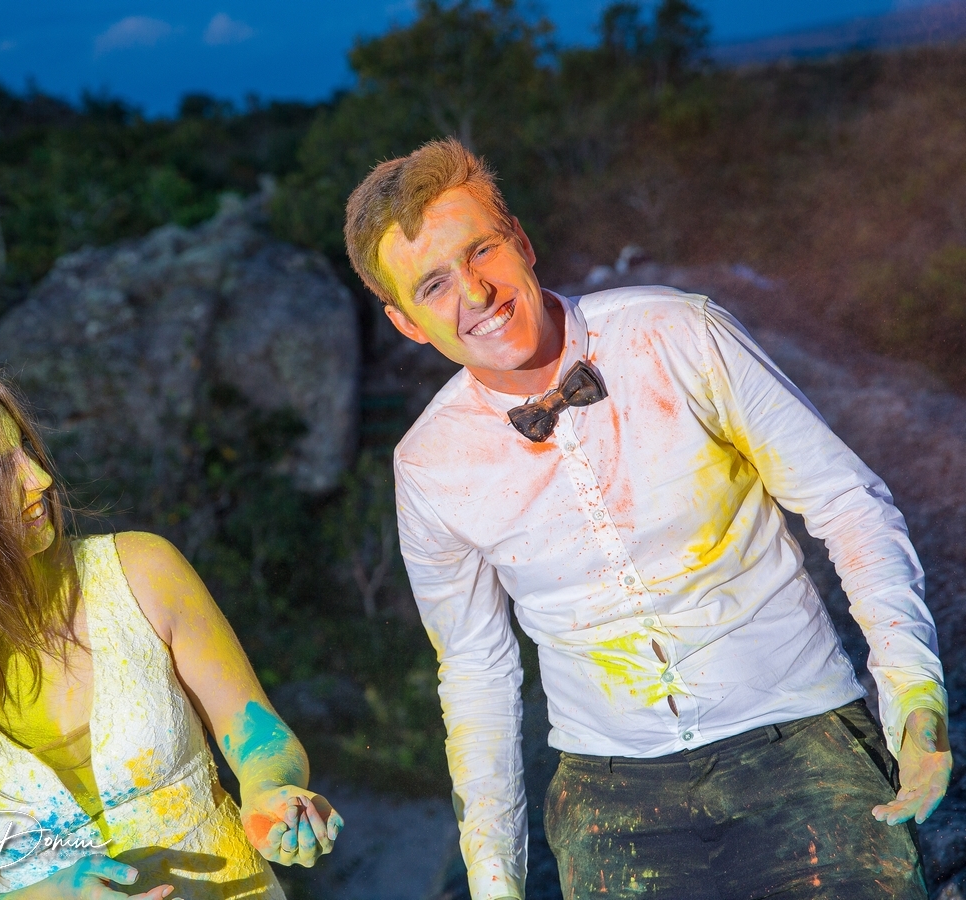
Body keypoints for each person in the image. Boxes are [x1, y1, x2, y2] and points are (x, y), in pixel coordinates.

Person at [344, 138, 952, 900]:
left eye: (482, 250)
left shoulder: (676, 332)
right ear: (405, 323)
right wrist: (493, 879)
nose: (474, 291)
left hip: (803, 739)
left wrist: (914, 705)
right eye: (433, 284)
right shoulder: (427, 464)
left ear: (521, 242)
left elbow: (846, 504)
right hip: (607, 800)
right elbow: (475, 669)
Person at [0, 356, 343, 899]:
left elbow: (257, 733)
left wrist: (271, 791)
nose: (40, 479)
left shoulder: (143, 572)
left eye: (26, 450)